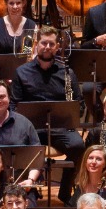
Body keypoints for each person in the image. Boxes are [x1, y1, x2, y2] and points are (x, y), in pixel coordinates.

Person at [12, 24, 84, 157]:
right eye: (44, 43)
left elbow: (79, 105)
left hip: (59, 128)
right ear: (36, 44)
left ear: (57, 47)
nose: (47, 47)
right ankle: (29, 178)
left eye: (51, 44)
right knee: (14, 144)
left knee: (78, 146)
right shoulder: (21, 72)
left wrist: (70, 114)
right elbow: (13, 105)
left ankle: (66, 179)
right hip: (31, 128)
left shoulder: (67, 73)